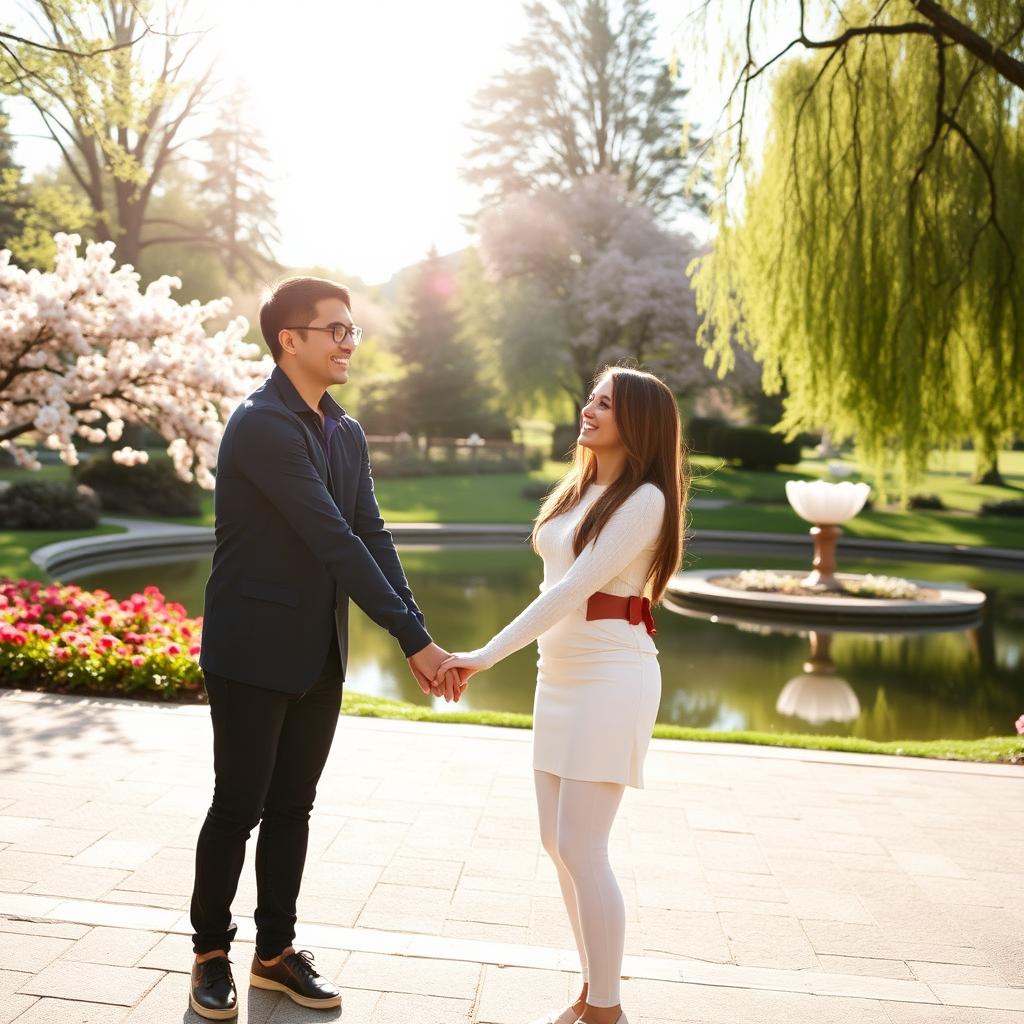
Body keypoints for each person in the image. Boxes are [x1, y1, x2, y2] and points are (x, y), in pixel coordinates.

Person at [189, 277, 462, 1020]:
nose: (348, 342)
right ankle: (209, 953)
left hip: (320, 653)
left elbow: (371, 533)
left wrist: (416, 632)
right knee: (238, 805)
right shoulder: (261, 425)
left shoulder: (346, 430)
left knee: (294, 807)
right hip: (251, 649)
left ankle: (275, 954)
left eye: (352, 331)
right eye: (334, 329)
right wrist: (415, 640)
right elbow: (330, 537)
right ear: (289, 341)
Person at [438, 365, 687, 1024]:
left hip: (614, 677)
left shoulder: (646, 502)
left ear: (637, 422)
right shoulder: (580, 489)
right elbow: (553, 585)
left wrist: (484, 656)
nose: (590, 409)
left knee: (583, 845)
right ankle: (591, 987)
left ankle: (606, 1009)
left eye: (605, 404)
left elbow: (571, 590)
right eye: (592, 398)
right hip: (562, 678)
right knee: (555, 840)